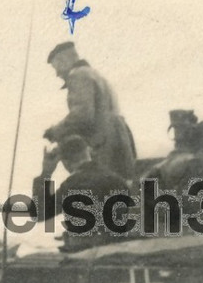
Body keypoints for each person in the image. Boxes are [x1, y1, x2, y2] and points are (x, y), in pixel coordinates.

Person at [42, 41, 137, 179]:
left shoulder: (78, 75)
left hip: (103, 146)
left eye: (57, 67)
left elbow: (82, 115)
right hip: (120, 141)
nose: (57, 74)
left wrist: (54, 131)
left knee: (99, 187)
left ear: (64, 61)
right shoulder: (95, 75)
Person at [32, 134, 132, 251]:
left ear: (64, 162)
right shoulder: (117, 180)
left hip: (83, 253)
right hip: (116, 250)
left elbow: (39, 214)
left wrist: (46, 173)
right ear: (88, 152)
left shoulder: (71, 185)